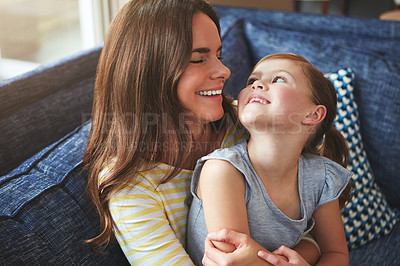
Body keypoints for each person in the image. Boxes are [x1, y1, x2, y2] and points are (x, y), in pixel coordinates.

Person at [83, 0, 321, 264]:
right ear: (150, 72)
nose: (224, 71)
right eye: (198, 59)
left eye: (219, 55)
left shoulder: (243, 123)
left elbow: (307, 225)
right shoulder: (132, 189)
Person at [187, 53, 353, 265]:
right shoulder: (223, 171)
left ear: (313, 115)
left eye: (279, 79)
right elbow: (234, 261)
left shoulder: (322, 178)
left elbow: (336, 255)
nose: (257, 85)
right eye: (252, 81)